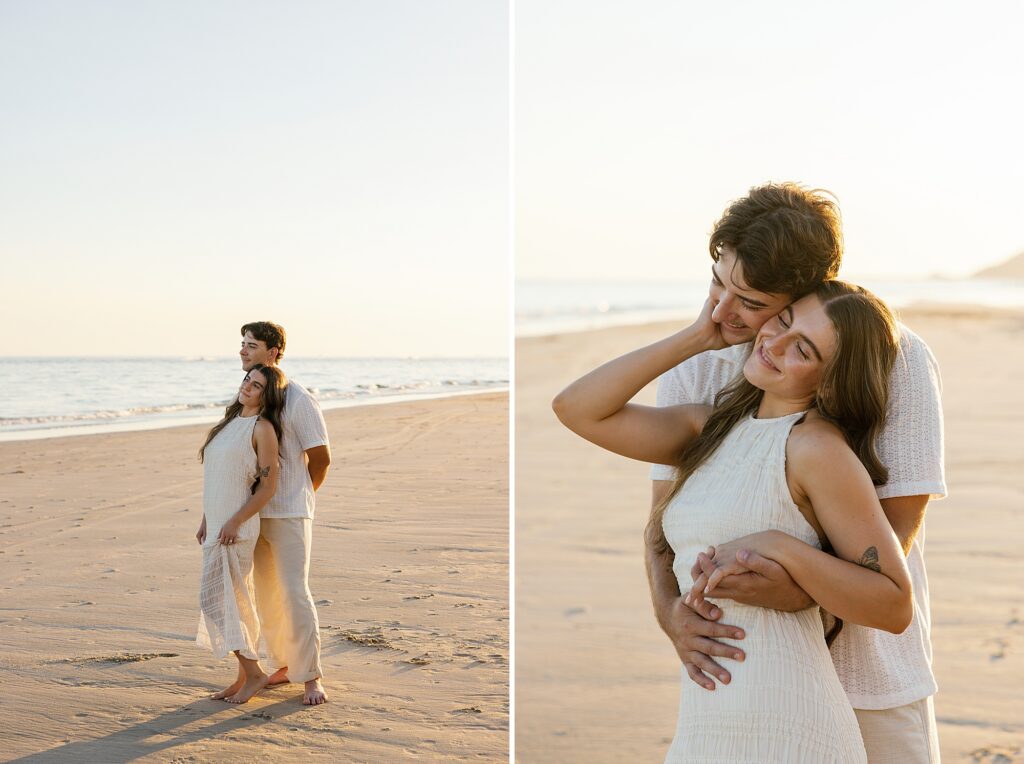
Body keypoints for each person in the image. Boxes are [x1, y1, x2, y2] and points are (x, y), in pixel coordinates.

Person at [554, 281, 913, 761]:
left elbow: (893, 604)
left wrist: (781, 547)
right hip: (709, 721)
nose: (774, 344)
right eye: (782, 322)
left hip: (788, 722)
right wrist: (700, 336)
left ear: (829, 382)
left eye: (802, 349)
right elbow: (575, 408)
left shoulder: (816, 448)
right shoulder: (706, 429)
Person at [647, 184, 945, 761]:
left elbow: (896, 532)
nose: (722, 312)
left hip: (870, 680)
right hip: (747, 679)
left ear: (803, 293)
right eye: (718, 282)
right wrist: (670, 617)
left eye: (751, 300)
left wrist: (796, 587)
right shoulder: (694, 372)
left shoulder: (896, 356)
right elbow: (661, 527)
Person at [238, 321, 332, 706]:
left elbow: (322, 458)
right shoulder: (250, 398)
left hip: (291, 513)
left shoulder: (298, 398)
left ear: (274, 351)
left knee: (294, 593)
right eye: (242, 344)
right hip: (253, 514)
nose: (243, 351)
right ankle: (281, 665)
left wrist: (300, 495)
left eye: (252, 345)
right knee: (266, 594)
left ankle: (311, 677)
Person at [196, 363, 287, 704]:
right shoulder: (230, 422)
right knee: (233, 602)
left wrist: (233, 521)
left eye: (258, 385)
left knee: (214, 600)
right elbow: (219, 477)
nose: (248, 386)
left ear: (269, 395)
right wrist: (208, 517)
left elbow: (267, 487)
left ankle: (254, 673)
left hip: (237, 527)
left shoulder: (263, 428)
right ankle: (243, 676)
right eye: (248, 380)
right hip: (218, 524)